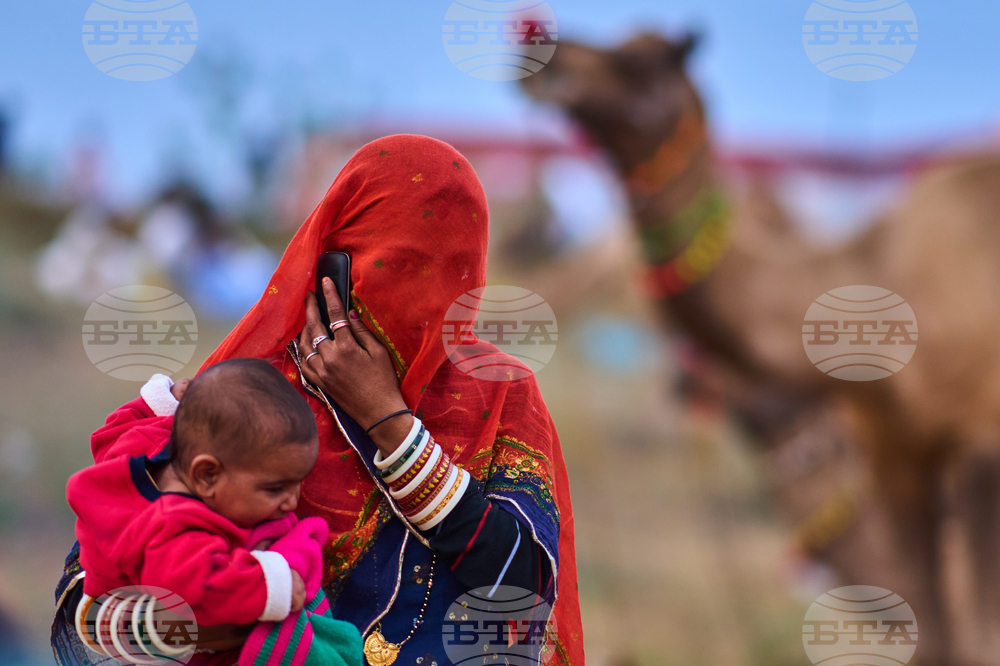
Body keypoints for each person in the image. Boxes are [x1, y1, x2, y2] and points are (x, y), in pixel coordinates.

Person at [53, 134, 584, 665]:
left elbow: (526, 586)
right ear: (332, 263)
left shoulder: (495, 390)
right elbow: (94, 588)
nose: (416, 306)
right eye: (393, 270)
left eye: (446, 277)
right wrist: (225, 620)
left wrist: (389, 424)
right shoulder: (254, 392)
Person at [65, 360, 362, 666]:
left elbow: (113, 429)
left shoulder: (154, 442)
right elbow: (202, 586)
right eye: (275, 489)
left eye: (297, 484)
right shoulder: (175, 527)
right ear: (207, 476)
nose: (291, 502)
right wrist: (274, 585)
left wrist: (162, 400)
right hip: (154, 626)